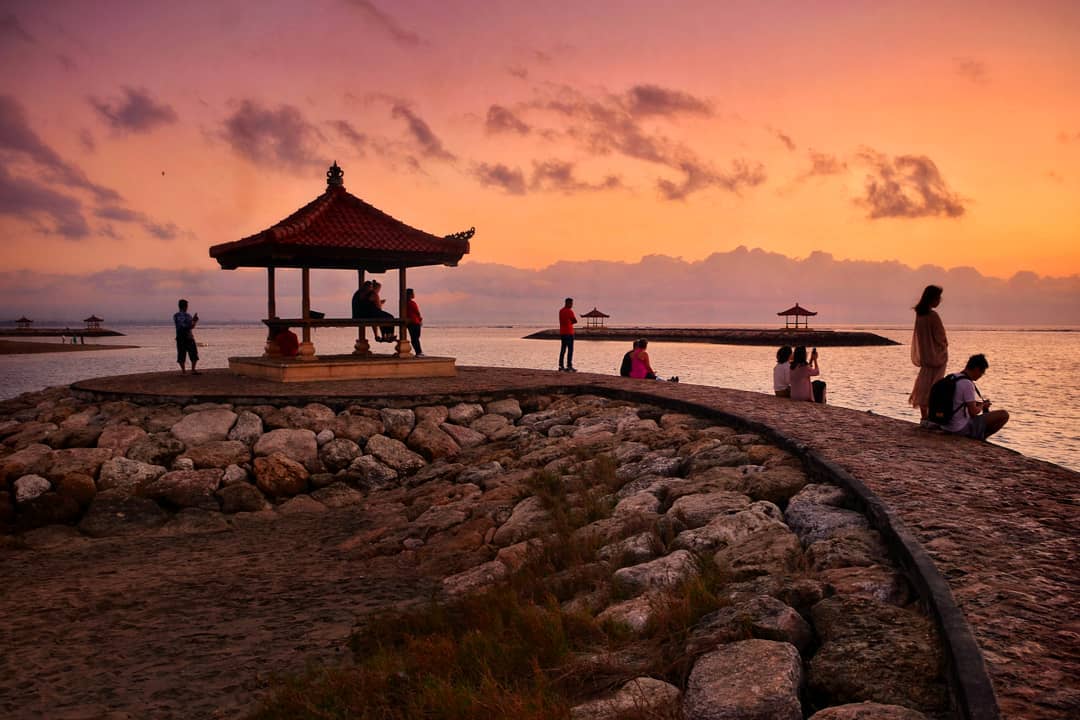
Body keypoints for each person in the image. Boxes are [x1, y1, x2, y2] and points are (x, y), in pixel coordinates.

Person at [940, 354, 1009, 440]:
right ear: (976, 369)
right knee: (1004, 414)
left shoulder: (953, 377)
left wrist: (978, 404)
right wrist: (982, 406)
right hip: (959, 428)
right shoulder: (967, 384)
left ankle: (979, 436)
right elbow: (973, 412)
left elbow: (957, 401)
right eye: (982, 372)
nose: (981, 375)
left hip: (946, 425)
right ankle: (981, 438)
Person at [909, 285, 948, 423]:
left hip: (926, 357)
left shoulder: (920, 315)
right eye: (938, 298)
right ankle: (931, 417)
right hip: (937, 357)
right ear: (932, 298)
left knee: (923, 385)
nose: (939, 301)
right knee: (935, 387)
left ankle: (924, 416)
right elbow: (940, 337)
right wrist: (944, 346)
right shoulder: (933, 315)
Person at [173, 298, 199, 374]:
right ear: (185, 306)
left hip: (180, 337)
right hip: (188, 337)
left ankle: (183, 371)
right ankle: (193, 370)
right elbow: (190, 326)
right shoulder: (188, 316)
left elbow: (181, 326)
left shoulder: (175, 316)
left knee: (181, 355)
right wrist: (194, 321)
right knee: (193, 354)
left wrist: (192, 321)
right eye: (187, 306)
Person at [558, 297, 577, 372]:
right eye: (571, 303)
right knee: (570, 350)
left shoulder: (561, 311)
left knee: (563, 349)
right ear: (567, 303)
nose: (572, 305)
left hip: (562, 333)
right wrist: (570, 323)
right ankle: (569, 366)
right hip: (569, 332)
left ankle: (561, 365)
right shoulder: (570, 311)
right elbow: (575, 321)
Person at [405, 288, 424, 357]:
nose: (414, 294)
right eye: (413, 293)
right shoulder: (412, 303)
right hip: (415, 322)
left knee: (414, 338)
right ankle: (419, 352)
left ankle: (418, 352)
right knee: (416, 338)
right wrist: (420, 319)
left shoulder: (404, 303)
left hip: (410, 322)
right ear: (410, 295)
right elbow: (417, 312)